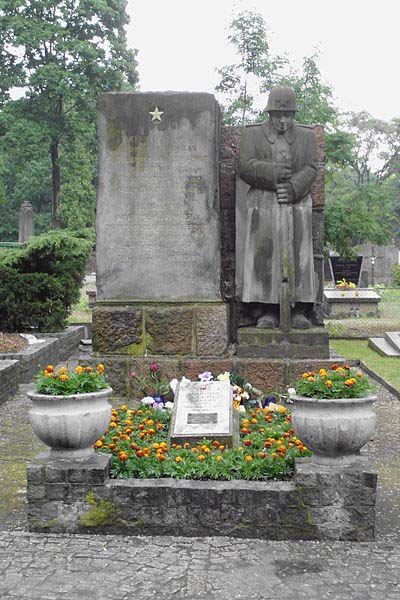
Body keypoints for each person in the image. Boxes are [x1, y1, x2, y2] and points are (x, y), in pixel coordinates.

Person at [238, 85, 318, 329]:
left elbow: (312, 168)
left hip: (296, 204)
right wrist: (272, 173)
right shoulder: (252, 135)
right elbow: (244, 166)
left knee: (300, 254)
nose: (283, 120)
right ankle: (266, 310)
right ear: (269, 113)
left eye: (288, 115)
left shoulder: (306, 136)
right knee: (263, 255)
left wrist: (294, 188)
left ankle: (300, 309)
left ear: (294, 115)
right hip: (263, 204)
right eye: (278, 115)